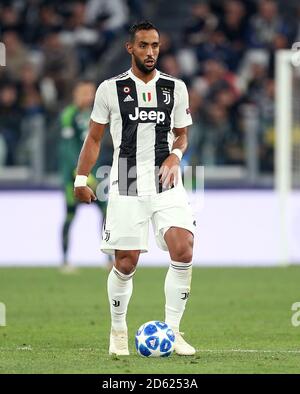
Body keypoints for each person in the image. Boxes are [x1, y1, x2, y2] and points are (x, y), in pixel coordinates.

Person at [74, 21, 196, 356]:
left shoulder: (175, 88)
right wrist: (81, 179)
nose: (150, 52)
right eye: (143, 45)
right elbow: (95, 137)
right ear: (131, 48)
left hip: (165, 178)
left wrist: (175, 154)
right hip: (126, 176)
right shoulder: (109, 89)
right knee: (126, 263)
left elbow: (183, 133)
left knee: (183, 248)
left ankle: (172, 332)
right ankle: (117, 331)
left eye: (155, 45)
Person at [59, 79, 113, 270]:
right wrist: (78, 174)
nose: (89, 96)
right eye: (85, 92)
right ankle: (65, 260)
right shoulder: (69, 115)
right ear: (76, 94)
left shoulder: (94, 115)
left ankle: (109, 260)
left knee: (106, 213)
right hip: (73, 177)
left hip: (94, 176)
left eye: (91, 93)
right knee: (70, 215)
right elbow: (67, 150)